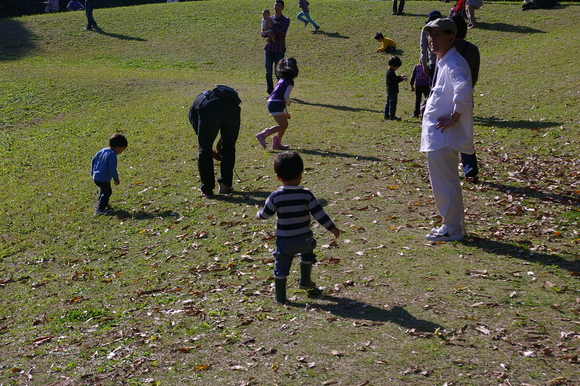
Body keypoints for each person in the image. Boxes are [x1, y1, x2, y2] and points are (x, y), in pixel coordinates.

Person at [256, 151, 341, 304]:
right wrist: (332, 228)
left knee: (281, 265)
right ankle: (305, 281)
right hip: (305, 239)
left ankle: (280, 297)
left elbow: (266, 214)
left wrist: (258, 214)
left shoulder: (275, 196)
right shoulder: (306, 195)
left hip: (285, 242)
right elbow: (319, 214)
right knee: (307, 254)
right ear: (301, 174)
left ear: (278, 177)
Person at [421, 18, 474, 242]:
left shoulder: (454, 63)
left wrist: (455, 116)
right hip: (437, 137)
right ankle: (451, 225)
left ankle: (453, 229)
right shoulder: (444, 61)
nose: (432, 40)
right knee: (443, 184)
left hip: (443, 136)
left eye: (438, 35)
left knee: (446, 184)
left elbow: (464, 89)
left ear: (451, 37)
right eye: (430, 35)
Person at [188, 85, 241, 197]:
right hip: (232, 108)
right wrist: (219, 145)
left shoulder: (196, 107)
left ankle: (207, 189)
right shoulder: (230, 100)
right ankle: (225, 185)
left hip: (209, 108)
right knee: (229, 147)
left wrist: (209, 147)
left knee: (204, 149)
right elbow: (228, 133)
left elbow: (202, 138)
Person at [452, 14, 480, 182]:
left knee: (445, 132)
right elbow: (474, 76)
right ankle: (470, 170)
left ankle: (448, 168)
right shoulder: (473, 49)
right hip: (467, 96)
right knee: (465, 133)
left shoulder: (448, 50)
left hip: (449, 97)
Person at [256, 58, 298, 150]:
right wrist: (288, 103)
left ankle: (277, 142)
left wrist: (285, 112)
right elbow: (285, 96)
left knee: (284, 124)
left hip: (273, 102)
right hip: (276, 103)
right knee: (282, 125)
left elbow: (280, 98)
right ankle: (263, 135)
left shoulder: (281, 80)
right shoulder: (290, 82)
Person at [91, 134, 127, 215]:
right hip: (103, 178)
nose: (122, 152)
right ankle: (100, 209)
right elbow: (112, 169)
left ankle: (103, 202)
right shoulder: (112, 155)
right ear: (117, 147)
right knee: (107, 192)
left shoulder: (102, 150)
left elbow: (93, 160)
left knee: (104, 189)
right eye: (122, 149)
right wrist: (116, 179)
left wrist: (92, 171)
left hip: (96, 177)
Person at [263, 0, 290, 94]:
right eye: (275, 5)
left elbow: (282, 33)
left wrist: (271, 27)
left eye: (279, 6)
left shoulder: (285, 20)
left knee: (278, 72)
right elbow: (263, 31)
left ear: (282, 8)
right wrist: (265, 33)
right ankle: (270, 92)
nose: (276, 8)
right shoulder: (268, 19)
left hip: (279, 49)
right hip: (269, 49)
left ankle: (280, 91)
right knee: (268, 73)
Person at [420, 10, 442, 86]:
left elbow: (423, 48)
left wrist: (424, 65)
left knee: (433, 86)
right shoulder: (444, 28)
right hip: (444, 60)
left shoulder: (425, 29)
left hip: (433, 62)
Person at [384, 56, 407, 121]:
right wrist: (401, 79)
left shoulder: (389, 71)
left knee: (388, 104)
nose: (397, 68)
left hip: (389, 91)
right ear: (392, 66)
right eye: (396, 67)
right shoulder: (390, 73)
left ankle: (386, 115)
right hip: (392, 91)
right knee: (392, 105)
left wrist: (400, 76)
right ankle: (392, 117)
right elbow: (394, 81)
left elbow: (394, 78)